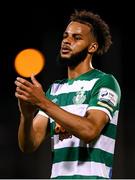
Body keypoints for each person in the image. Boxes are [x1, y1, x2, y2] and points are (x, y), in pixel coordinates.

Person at [15, 9, 121, 179]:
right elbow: (28, 145)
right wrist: (26, 116)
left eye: (76, 38)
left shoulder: (104, 82)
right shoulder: (55, 90)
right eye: (65, 36)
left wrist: (42, 102)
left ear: (92, 47)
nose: (66, 41)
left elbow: (90, 130)